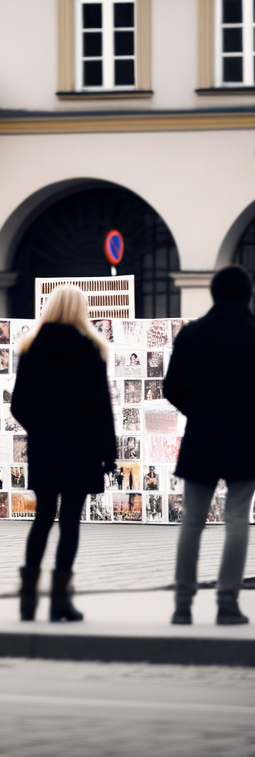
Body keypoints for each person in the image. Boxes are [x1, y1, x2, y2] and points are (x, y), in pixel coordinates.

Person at [9, 283, 114, 623]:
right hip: (81, 447)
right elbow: (100, 407)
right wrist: (108, 452)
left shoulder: (31, 349)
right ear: (81, 311)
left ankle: (27, 601)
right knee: (70, 522)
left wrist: (40, 428)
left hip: (45, 446)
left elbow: (18, 405)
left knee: (43, 517)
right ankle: (59, 602)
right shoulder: (90, 351)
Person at [164, 266, 255, 626]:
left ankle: (183, 604)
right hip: (246, 439)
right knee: (237, 518)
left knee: (192, 521)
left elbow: (171, 388)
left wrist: (198, 410)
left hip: (202, 437)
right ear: (248, 294)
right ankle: (227, 603)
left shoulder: (192, 334)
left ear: (214, 294)